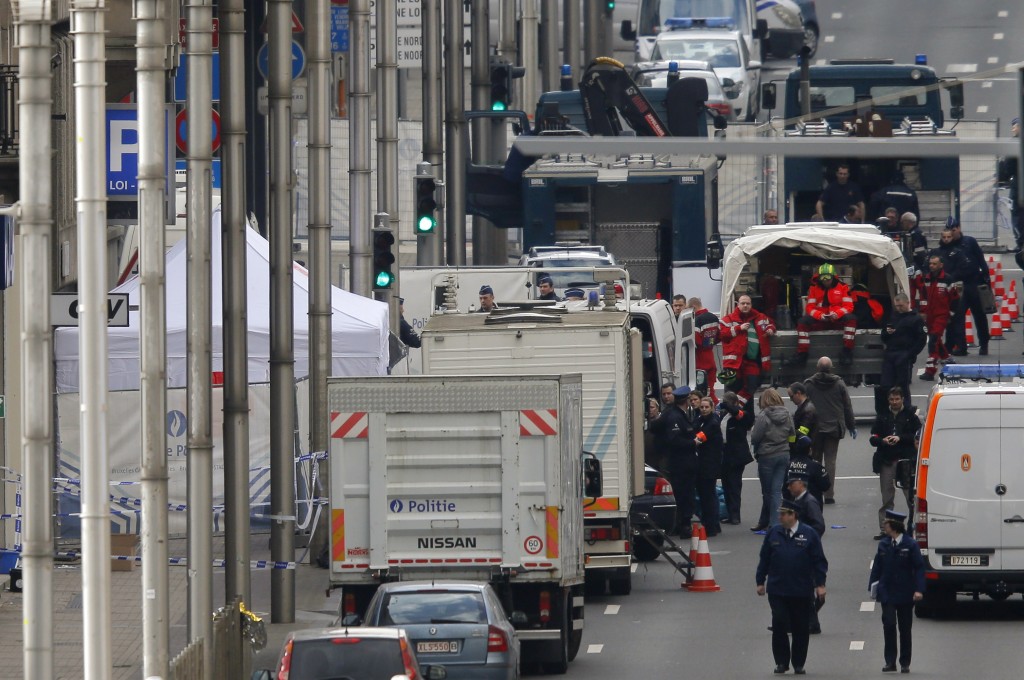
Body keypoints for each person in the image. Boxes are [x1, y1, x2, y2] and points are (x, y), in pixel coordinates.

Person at [755, 499, 828, 676]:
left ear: (793, 515)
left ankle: (798, 663)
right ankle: (781, 661)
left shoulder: (808, 534)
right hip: (778, 588)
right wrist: (760, 581)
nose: (780, 517)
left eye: (783, 514)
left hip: (801, 589)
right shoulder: (774, 533)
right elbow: (764, 558)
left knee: (800, 627)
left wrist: (820, 585)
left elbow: (819, 561)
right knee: (779, 623)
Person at [868, 510, 925, 674]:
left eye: (886, 524)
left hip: (906, 593)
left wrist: (919, 590)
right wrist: (872, 587)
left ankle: (905, 662)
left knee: (905, 629)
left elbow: (919, 568)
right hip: (887, 592)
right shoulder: (884, 544)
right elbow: (877, 567)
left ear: (893, 526)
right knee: (889, 625)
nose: (884, 526)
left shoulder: (910, 544)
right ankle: (890, 661)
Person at [647, 384, 700, 539]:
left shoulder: (675, 414)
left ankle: (681, 523)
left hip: (681, 462)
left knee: (683, 492)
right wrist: (693, 443)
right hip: (681, 462)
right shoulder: (675, 417)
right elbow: (675, 440)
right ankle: (683, 525)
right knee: (684, 493)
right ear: (687, 400)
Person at [803, 356, 857, 505]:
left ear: (817, 367)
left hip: (815, 429)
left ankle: (815, 491)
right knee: (830, 461)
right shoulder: (839, 383)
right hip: (833, 427)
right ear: (831, 367)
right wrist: (851, 425)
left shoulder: (809, 384)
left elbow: (803, 407)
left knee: (815, 460)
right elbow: (847, 406)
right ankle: (829, 494)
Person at [870, 388, 921, 539]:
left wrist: (900, 438)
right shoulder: (882, 416)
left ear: (903, 399)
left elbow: (918, 435)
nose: (894, 402)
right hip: (887, 460)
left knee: (910, 496)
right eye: (892, 399)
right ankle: (885, 529)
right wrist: (882, 440)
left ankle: (913, 526)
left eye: (897, 399)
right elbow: (873, 437)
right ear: (888, 400)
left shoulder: (910, 416)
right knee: (887, 496)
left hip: (905, 461)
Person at [786, 263, 857, 367]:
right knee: (802, 322)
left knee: (851, 319)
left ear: (833, 276)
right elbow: (810, 307)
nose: (825, 280)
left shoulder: (843, 288)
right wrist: (820, 316)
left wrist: (837, 314)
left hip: (837, 320)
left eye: (827, 277)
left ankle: (847, 352)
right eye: (822, 277)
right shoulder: (814, 289)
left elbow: (849, 306)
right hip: (820, 320)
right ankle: (802, 353)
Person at [784, 471, 828, 636]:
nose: (788, 487)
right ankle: (800, 622)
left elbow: (819, 525)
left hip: (805, 551)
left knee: (804, 589)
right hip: (799, 550)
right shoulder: (798, 500)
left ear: (801, 483)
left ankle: (807, 622)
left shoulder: (809, 501)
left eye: (791, 483)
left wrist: (806, 540)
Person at [719, 293, 777, 406]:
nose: (745, 305)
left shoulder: (760, 317)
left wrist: (770, 329)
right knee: (730, 391)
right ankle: (728, 412)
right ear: (738, 305)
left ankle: (736, 407)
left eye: (748, 303)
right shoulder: (728, 319)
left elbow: (771, 323)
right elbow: (721, 334)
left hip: (752, 362)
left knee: (752, 385)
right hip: (732, 364)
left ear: (751, 305)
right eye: (743, 303)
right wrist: (738, 328)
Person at [750, 388, 795, 531]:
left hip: (767, 455)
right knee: (775, 490)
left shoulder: (763, 416)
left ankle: (774, 523)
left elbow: (755, 437)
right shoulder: (787, 413)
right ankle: (766, 520)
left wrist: (758, 446)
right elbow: (792, 433)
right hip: (783, 454)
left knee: (768, 492)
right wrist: (787, 444)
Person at [946, 217, 992, 356]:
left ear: (958, 228)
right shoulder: (949, 246)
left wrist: (986, 280)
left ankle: (984, 344)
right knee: (958, 317)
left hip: (975, 283)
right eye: (949, 231)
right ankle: (961, 346)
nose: (952, 234)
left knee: (979, 315)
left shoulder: (969, 242)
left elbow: (980, 260)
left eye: (953, 230)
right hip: (959, 285)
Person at [877, 293, 926, 416]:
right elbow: (883, 336)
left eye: (901, 306)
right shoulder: (893, 317)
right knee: (885, 384)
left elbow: (922, 339)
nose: (899, 308)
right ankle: (887, 410)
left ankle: (907, 410)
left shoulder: (916, 319)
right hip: (890, 354)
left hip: (904, 354)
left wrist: (910, 354)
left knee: (902, 384)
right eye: (897, 306)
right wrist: (887, 332)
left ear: (907, 303)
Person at [918, 254, 959, 381]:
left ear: (941, 265)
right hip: (929, 316)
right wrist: (923, 312)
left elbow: (955, 299)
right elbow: (923, 297)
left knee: (933, 341)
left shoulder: (948, 280)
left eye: (934, 264)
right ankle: (947, 359)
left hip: (941, 315)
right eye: (930, 263)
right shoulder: (927, 279)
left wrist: (950, 314)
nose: (931, 266)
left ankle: (930, 371)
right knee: (936, 339)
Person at [718, 391, 754, 525]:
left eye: (726, 402)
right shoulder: (724, 416)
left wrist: (727, 406)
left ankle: (735, 515)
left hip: (737, 455)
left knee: (734, 485)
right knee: (726, 484)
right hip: (725, 453)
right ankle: (729, 512)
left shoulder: (742, 414)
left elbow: (738, 414)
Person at [694, 397, 723, 536]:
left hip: (709, 465)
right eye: (702, 407)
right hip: (703, 464)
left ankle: (711, 526)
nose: (704, 409)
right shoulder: (700, 420)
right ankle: (713, 524)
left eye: (706, 407)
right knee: (707, 494)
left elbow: (699, 438)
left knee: (708, 496)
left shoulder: (712, 422)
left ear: (711, 407)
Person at [785, 435, 830, 510]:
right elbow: (826, 485)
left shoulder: (789, 465)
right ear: (809, 449)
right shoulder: (815, 466)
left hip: (793, 506)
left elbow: (785, 487)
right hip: (813, 506)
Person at [689, 297, 721, 403]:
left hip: (700, 360)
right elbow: (719, 337)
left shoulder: (697, 320)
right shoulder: (714, 318)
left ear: (693, 307)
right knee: (710, 390)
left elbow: (696, 343)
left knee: (700, 393)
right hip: (711, 357)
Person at [787, 382, 817, 452]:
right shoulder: (805, 407)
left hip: (806, 447)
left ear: (798, 393)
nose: (791, 400)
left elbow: (803, 431)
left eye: (791, 396)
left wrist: (787, 435)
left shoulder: (808, 409)